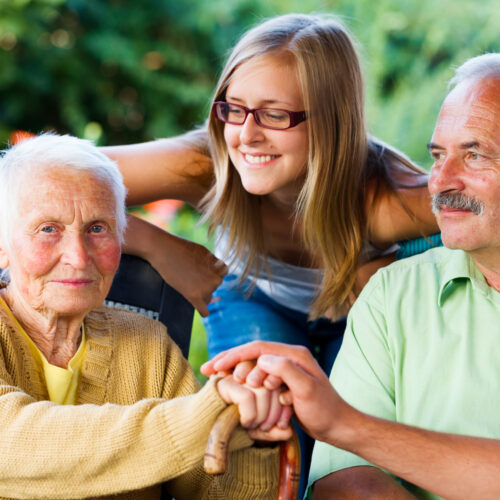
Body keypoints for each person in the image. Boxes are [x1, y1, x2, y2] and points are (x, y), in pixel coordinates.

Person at [201, 53, 500, 499]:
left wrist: (345, 424)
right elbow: (342, 481)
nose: (440, 181)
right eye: (437, 155)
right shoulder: (393, 294)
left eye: (474, 155)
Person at [103, 13, 440, 375]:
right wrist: (158, 245)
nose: (246, 135)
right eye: (234, 109)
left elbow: (487, 205)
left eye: (274, 115)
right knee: (261, 422)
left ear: (332, 121)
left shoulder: (386, 200)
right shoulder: (206, 166)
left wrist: (406, 262)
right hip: (252, 297)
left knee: (347, 423)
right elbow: (42, 171)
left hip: (362, 308)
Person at [0, 133, 291, 500]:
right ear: (2, 248)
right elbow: (13, 445)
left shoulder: (150, 345)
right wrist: (203, 418)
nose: (78, 255)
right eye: (48, 229)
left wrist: (249, 432)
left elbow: (213, 489)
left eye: (97, 228)